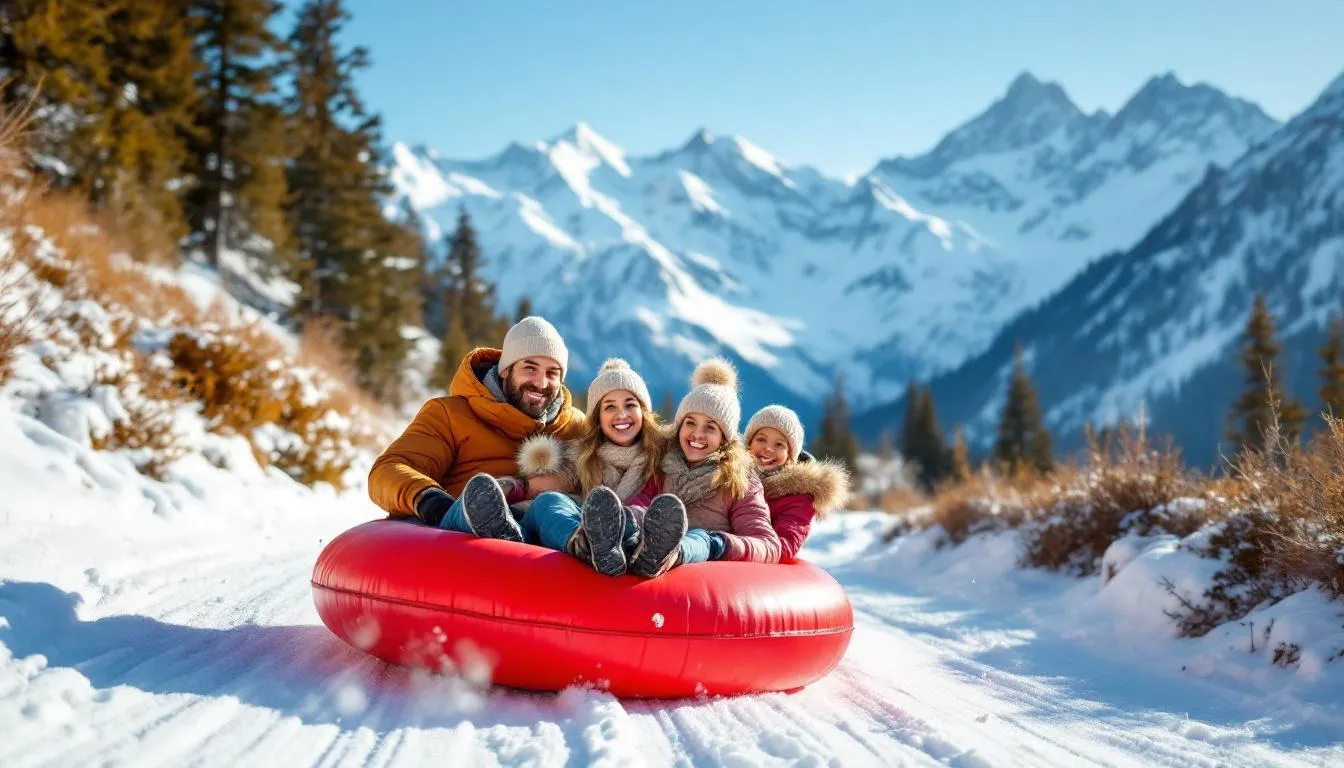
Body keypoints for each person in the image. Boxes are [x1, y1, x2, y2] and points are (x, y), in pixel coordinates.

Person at [366, 316, 585, 539]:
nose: (541, 383)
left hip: (540, 552)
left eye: (552, 373)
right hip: (460, 545)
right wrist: (430, 500)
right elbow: (389, 470)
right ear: (505, 371)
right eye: (530, 368)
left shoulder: (574, 427)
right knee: (478, 502)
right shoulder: (451, 415)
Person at [486, 358, 671, 576]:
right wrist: (508, 488)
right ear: (598, 418)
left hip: (631, 536)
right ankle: (583, 545)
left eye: (630, 405)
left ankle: (608, 541)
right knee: (549, 501)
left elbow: (652, 502)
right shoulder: (582, 455)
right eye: (610, 407)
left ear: (643, 411)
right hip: (581, 526)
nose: (621, 414)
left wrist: (619, 519)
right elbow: (545, 485)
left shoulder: (660, 458)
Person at [623, 358, 781, 577]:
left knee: (699, 536)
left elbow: (768, 545)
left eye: (710, 427)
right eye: (690, 423)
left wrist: (718, 544)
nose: (697, 434)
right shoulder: (664, 467)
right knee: (636, 517)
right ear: (679, 427)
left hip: (701, 573)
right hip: (652, 567)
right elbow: (641, 503)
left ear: (724, 438)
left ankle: (674, 552)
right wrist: (627, 519)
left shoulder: (739, 481)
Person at [744, 405, 851, 562]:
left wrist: (734, 547)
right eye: (761, 439)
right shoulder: (732, 480)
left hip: (758, 568)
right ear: (749, 444)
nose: (768, 448)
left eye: (779, 444)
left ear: (790, 455)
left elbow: (786, 544)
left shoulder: (798, 496)